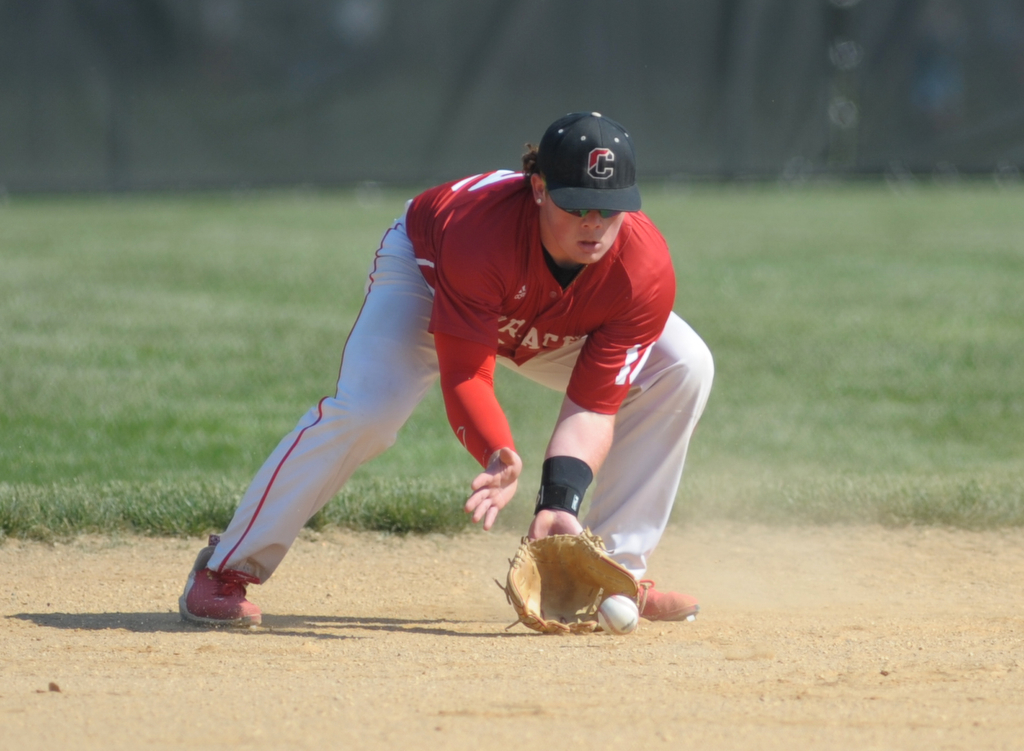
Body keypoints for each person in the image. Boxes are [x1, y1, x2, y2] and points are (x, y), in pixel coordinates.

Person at [179, 112, 714, 627]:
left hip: (557, 318)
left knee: (683, 364)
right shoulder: (480, 232)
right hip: (429, 275)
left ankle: (611, 573)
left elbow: (594, 408)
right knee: (370, 410)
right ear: (539, 189)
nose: (595, 223)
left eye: (610, 207)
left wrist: (558, 502)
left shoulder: (642, 268)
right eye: (577, 206)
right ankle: (226, 566)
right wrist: (497, 451)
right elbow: (467, 376)